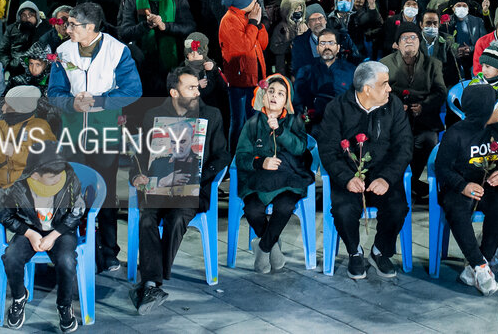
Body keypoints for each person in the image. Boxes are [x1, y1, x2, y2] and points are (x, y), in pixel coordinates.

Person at [47, 1, 143, 272]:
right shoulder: (63, 51)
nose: (68, 29)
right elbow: (54, 91)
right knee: (70, 190)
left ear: (90, 27)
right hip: (73, 132)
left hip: (104, 132)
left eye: (73, 25)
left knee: (106, 191)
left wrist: (99, 101)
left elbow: (132, 90)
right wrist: (71, 104)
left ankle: (109, 251)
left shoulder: (117, 51)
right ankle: (68, 246)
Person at [131, 66, 230, 314]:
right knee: (147, 219)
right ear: (175, 92)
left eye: (197, 86)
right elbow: (142, 154)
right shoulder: (154, 114)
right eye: (191, 88)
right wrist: (137, 176)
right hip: (159, 186)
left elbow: (222, 155)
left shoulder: (212, 115)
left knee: (177, 219)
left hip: (194, 188)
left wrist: (199, 176)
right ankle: (152, 283)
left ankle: (151, 281)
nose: (197, 92)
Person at [317, 60, 412, 280]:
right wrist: (346, 178)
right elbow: (328, 150)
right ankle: (354, 251)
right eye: (385, 84)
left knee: (398, 208)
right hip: (350, 176)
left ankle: (379, 251)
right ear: (367, 89)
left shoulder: (394, 106)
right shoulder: (337, 108)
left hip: (382, 175)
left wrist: (387, 178)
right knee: (342, 211)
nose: (390, 89)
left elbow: (404, 147)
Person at [434, 82, 498, 294]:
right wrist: (462, 185)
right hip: (460, 186)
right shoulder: (455, 134)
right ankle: (480, 266)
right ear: (483, 111)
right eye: (495, 106)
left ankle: (477, 264)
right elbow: (442, 167)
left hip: (490, 186)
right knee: (457, 211)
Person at [0, 149, 87, 333]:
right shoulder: (19, 186)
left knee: (66, 261)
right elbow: (4, 214)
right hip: (30, 228)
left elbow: (76, 212)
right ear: (35, 175)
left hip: (61, 231)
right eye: (52, 178)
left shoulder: (69, 179)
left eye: (59, 176)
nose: (57, 180)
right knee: (11, 256)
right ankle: (19, 297)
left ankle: (64, 305)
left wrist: (54, 235)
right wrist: (29, 233)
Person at [234, 74, 312, 274]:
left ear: (287, 99)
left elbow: (300, 148)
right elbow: (241, 156)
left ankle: (262, 248)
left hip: (289, 177)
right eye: (271, 92)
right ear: (264, 94)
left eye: (280, 93)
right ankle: (273, 248)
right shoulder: (252, 124)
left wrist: (281, 132)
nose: (274, 97)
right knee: (252, 210)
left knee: (285, 206)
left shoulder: (295, 121)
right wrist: (261, 162)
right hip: (258, 179)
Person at [0, 85, 55, 250]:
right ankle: (0, 248)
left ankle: (19, 251)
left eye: (8, 105)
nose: (3, 108)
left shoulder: (40, 127)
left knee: (18, 219)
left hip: (27, 187)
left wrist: (16, 152)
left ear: (19, 108)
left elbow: (48, 157)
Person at [381, 22, 446, 199]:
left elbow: (440, 92)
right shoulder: (385, 63)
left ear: (419, 41)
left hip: (423, 118)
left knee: (428, 140)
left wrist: (423, 106)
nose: (409, 41)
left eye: (413, 37)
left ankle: (410, 182)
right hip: (396, 118)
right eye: (404, 38)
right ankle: (407, 184)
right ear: (397, 43)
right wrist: (395, 104)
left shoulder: (433, 64)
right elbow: (380, 90)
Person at [118, 0, 198, 92]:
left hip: (173, 66)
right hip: (143, 66)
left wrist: (165, 26)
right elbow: (124, 32)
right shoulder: (133, 1)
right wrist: (146, 25)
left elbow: (189, 28)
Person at [218, 0, 268, 142]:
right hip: (240, 82)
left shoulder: (248, 16)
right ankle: (234, 154)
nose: (255, 2)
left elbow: (263, 44)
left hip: (255, 79)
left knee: (254, 120)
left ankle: (253, 151)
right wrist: (253, 23)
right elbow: (244, 47)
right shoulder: (229, 20)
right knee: (238, 122)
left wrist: (258, 24)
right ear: (242, 4)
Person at [295, 26, 355, 129]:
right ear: (317, 48)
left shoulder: (351, 71)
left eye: (331, 43)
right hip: (316, 124)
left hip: (345, 124)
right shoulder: (306, 72)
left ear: (338, 48)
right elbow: (297, 103)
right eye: (322, 43)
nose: (327, 47)